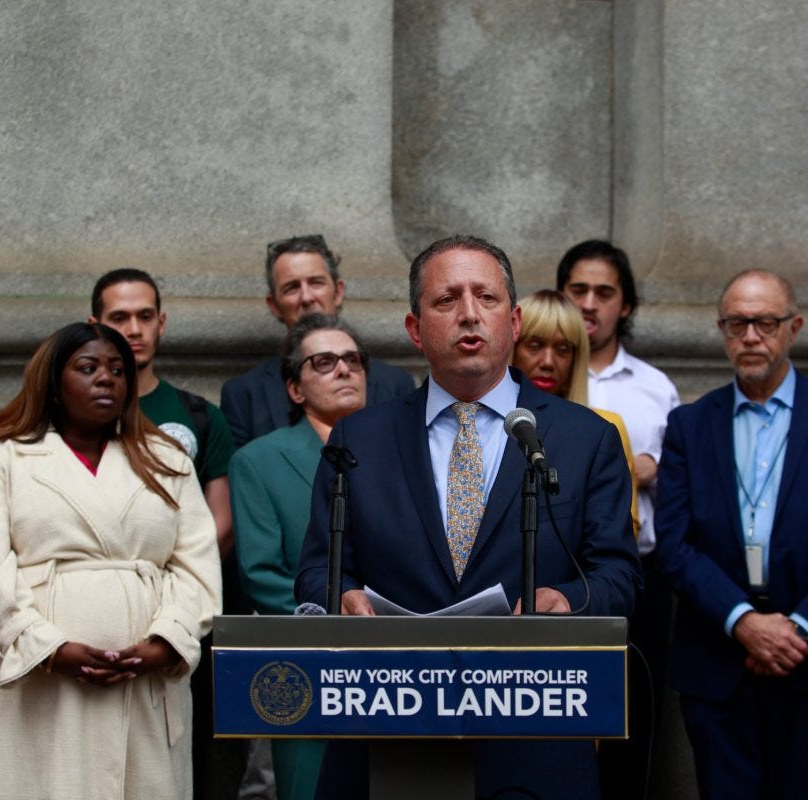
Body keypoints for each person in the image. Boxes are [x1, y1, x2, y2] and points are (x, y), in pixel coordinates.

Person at [294, 235, 642, 799]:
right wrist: (341, 596)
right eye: (447, 300)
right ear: (415, 328)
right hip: (392, 724)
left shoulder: (585, 439)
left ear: (514, 319)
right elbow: (315, 570)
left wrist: (567, 600)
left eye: (486, 297)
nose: (469, 314)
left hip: (532, 728)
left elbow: (620, 577)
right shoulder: (360, 438)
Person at [0, 322, 221, 800]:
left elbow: (197, 567)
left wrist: (167, 640)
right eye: (88, 368)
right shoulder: (0, 459)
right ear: (53, 382)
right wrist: (48, 647)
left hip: (144, 687)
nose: (107, 379)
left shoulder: (167, 460)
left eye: (118, 370)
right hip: (39, 686)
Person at [654, 270, 808, 799]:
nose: (751, 336)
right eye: (737, 323)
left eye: (765, 322)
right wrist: (744, 623)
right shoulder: (690, 424)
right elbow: (674, 543)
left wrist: (798, 629)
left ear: (794, 327)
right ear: (721, 329)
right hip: (719, 662)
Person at [88, 268, 245, 800]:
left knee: (178, 762)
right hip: (87, 621)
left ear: (162, 322)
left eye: (144, 316)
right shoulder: (80, 413)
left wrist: (168, 613)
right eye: (119, 318)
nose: (133, 329)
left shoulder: (198, 416)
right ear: (94, 324)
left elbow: (219, 528)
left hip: (179, 620)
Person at [556, 239, 678, 794]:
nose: (589, 303)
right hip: (556, 581)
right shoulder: (537, 380)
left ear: (624, 305)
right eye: (577, 290)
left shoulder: (655, 389)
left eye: (604, 293)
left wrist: (651, 470)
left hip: (637, 577)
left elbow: (683, 485)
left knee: (627, 723)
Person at [230, 314, 369, 800]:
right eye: (325, 362)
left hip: (393, 658)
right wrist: (330, 624)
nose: (344, 370)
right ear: (295, 388)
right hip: (307, 661)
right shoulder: (259, 460)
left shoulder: (402, 451)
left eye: (354, 360)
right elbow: (261, 572)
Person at [221, 234, 414, 448]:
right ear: (274, 304)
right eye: (292, 287)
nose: (306, 297)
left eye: (316, 282)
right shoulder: (244, 394)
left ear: (338, 292)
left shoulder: (396, 384)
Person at [511, 290, 638, 539]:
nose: (548, 361)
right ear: (512, 348)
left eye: (563, 349)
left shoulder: (605, 428)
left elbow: (623, 533)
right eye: (534, 345)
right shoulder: (487, 422)